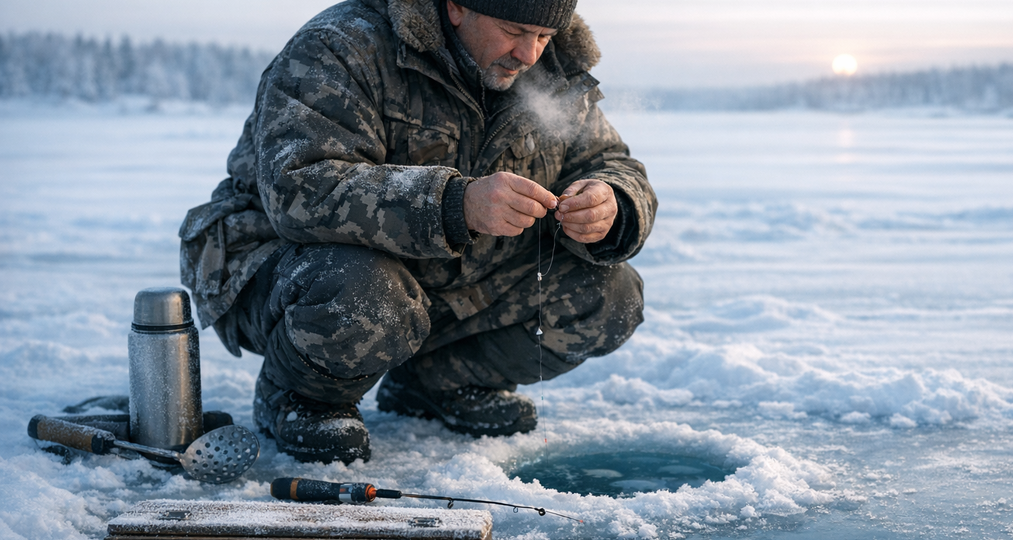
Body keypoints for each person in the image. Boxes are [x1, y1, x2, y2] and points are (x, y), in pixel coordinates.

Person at [179, 0, 656, 464]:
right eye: (513, 32)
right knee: (367, 291)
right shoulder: (342, 46)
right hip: (290, 270)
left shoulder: (553, 70)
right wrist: (455, 203)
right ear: (456, 8)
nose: (529, 55)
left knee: (608, 294)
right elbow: (300, 188)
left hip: (449, 283)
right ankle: (302, 395)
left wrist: (612, 201)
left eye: (544, 36)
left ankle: (439, 383)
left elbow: (611, 161)